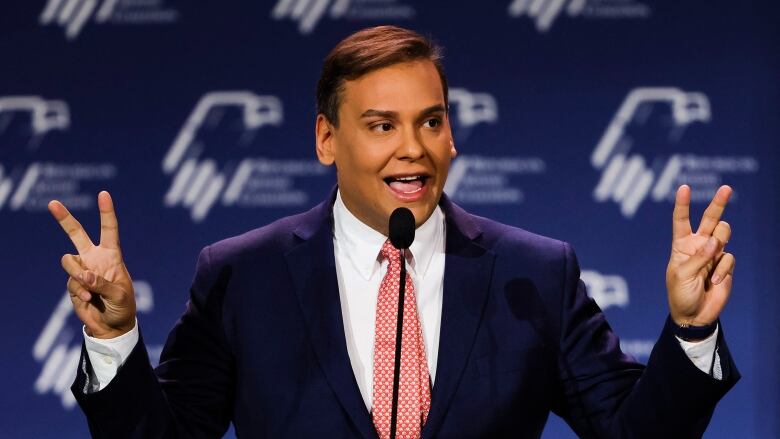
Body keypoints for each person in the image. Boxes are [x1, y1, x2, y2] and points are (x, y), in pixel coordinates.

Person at [49, 26, 738, 438]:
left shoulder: (535, 273)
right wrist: (112, 340)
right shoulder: (241, 275)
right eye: (382, 125)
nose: (415, 147)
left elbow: (632, 431)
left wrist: (690, 330)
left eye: (431, 121)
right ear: (327, 138)